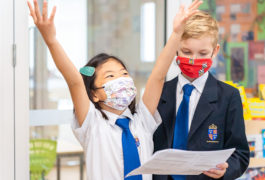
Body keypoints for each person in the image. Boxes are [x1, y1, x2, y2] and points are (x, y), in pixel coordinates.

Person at [27, 0, 203, 179]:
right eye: (110, 76)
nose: (121, 80)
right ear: (94, 94)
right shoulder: (92, 124)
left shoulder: (142, 121)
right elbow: (75, 82)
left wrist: (176, 33)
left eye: (124, 73)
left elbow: (158, 77)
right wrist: (51, 40)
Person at [153, 11, 250, 180]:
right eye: (187, 52)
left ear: (215, 51)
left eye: (203, 54)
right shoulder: (160, 92)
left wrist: (226, 170)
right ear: (176, 48)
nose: (193, 59)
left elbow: (240, 154)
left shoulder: (228, 96)